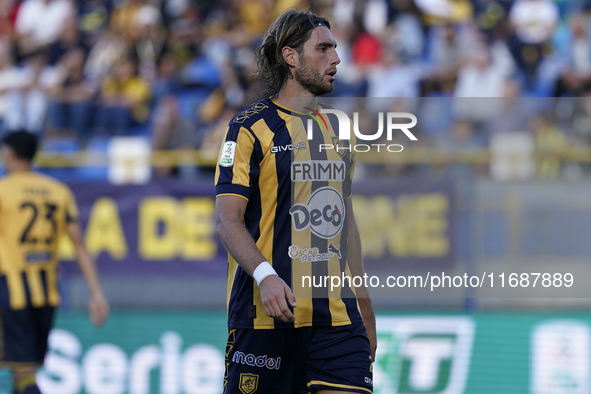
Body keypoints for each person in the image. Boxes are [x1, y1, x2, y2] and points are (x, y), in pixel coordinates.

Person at [215, 9, 376, 394]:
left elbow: (344, 223)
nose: (336, 58)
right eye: (323, 49)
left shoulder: (339, 129)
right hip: (265, 313)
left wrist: (364, 303)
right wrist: (266, 276)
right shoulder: (248, 127)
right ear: (291, 56)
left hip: (337, 318)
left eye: (335, 49)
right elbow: (228, 222)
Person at [0, 131, 109, 394]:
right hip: (46, 294)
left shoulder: (3, 189)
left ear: (10, 154)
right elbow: (78, 243)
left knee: (23, 374)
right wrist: (96, 293)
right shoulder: (58, 191)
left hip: (10, 290)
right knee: (23, 372)